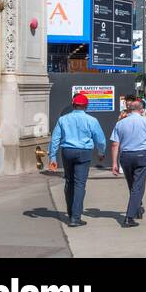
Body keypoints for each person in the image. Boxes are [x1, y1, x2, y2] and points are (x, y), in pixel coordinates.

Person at [47, 92, 106, 228]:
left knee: (69, 181)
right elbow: (100, 139)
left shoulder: (63, 119)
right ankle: (75, 217)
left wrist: (52, 156)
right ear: (86, 106)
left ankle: (70, 211)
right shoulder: (92, 120)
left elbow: (55, 138)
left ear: (73, 105)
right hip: (84, 152)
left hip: (67, 151)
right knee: (80, 184)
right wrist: (101, 152)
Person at [109, 99, 146, 228]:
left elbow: (115, 144)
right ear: (141, 110)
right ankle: (129, 217)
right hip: (142, 154)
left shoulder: (120, 123)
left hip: (126, 156)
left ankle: (137, 208)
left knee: (132, 184)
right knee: (138, 185)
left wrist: (114, 162)